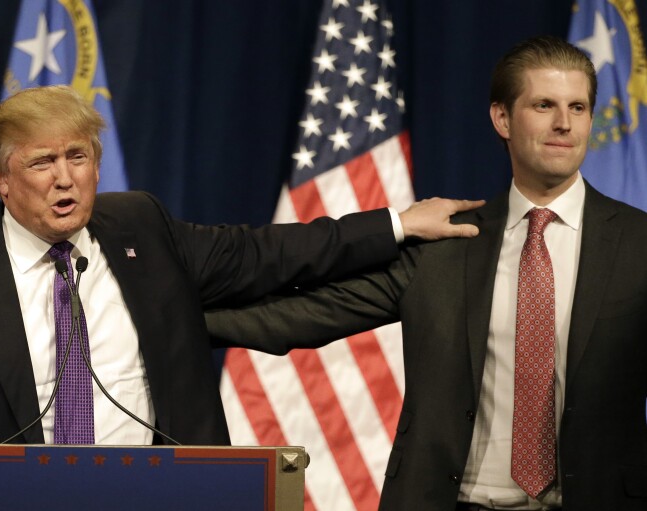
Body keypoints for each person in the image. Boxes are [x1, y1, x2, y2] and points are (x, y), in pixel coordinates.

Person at [0, 85, 483, 482]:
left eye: (78, 156)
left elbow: (266, 254)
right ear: (0, 179)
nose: (65, 179)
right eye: (42, 163)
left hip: (158, 490)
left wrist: (398, 223)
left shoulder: (138, 224)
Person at [205, 35, 647, 510]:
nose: (564, 124)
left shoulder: (637, 242)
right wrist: (154, 320)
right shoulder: (447, 242)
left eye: (577, 107)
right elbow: (301, 315)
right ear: (502, 118)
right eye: (544, 105)